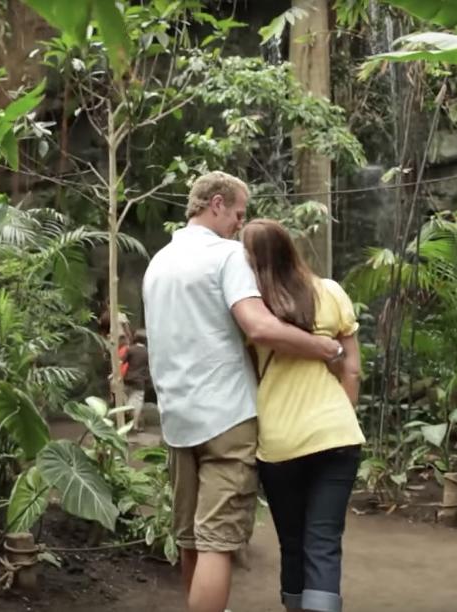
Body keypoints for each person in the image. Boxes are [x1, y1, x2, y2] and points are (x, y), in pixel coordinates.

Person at [142, 171, 345, 612]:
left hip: (177, 420)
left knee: (191, 539)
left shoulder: (158, 263)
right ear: (216, 204)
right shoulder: (226, 255)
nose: (240, 223)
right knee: (218, 542)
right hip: (227, 419)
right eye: (238, 212)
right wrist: (320, 347)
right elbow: (257, 324)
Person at [241, 219, 365, 612]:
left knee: (292, 542)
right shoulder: (330, 292)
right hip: (336, 433)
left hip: (280, 441)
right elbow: (353, 368)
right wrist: (340, 415)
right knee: (324, 541)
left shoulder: (251, 310)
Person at [124, 329, 151, 431]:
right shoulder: (148, 352)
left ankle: (127, 411)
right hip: (139, 382)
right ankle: (134, 425)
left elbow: (121, 361)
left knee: (127, 398)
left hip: (127, 379)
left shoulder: (130, 350)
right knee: (137, 403)